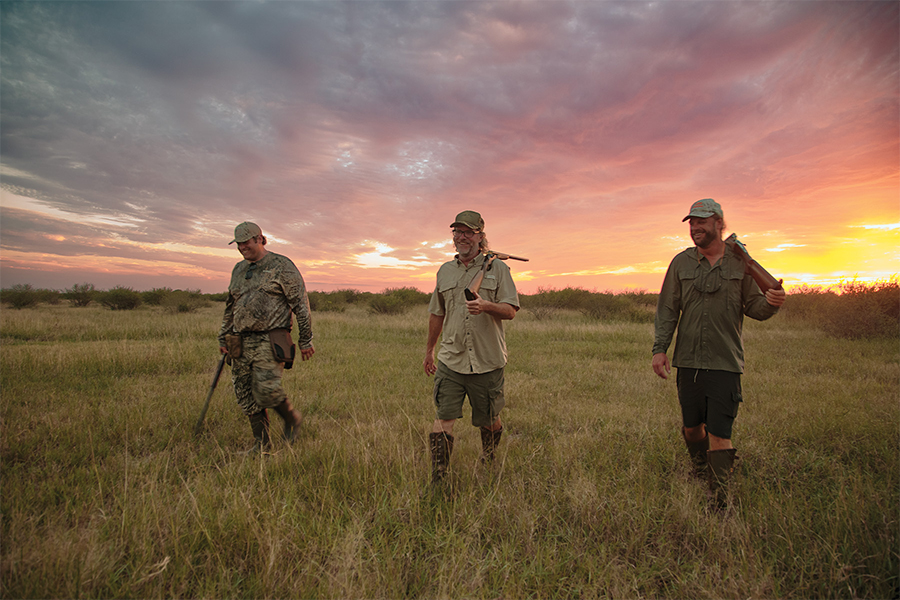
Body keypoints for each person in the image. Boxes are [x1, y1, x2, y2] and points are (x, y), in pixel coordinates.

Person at [652, 199, 785, 509]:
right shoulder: (681, 263)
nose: (695, 227)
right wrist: (660, 349)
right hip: (688, 361)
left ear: (719, 223)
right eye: (692, 222)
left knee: (719, 433)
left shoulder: (740, 264)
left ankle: (720, 498)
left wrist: (772, 303)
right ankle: (700, 470)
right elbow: (668, 309)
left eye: (702, 221)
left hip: (725, 362)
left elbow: (755, 308)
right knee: (692, 428)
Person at [424, 210, 520, 483]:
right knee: (443, 418)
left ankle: (489, 459)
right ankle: (439, 478)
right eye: (458, 232)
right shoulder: (445, 271)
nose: (462, 237)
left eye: (468, 232)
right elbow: (437, 313)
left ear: (480, 236)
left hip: (486, 360)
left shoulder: (498, 269)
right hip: (451, 359)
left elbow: (511, 310)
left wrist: (486, 305)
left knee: (489, 419)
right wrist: (430, 350)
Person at [218, 221, 315, 454]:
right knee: (244, 393)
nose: (242, 247)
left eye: (246, 242)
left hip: (270, 339)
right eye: (238, 244)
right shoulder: (238, 270)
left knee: (266, 390)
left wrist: (305, 340)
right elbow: (231, 306)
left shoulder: (282, 266)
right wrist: (224, 337)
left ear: (260, 239)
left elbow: (301, 305)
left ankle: (291, 419)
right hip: (240, 340)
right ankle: (261, 445)